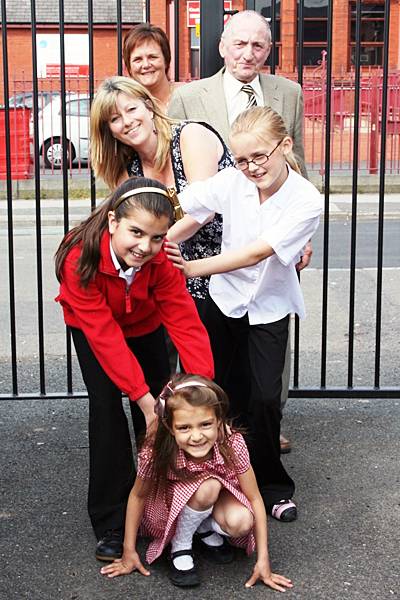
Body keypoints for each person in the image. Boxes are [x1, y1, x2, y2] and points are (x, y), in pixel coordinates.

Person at [166, 107, 323, 522]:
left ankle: (272, 485)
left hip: (269, 307)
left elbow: (259, 252)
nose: (251, 167)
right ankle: (220, 479)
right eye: (241, 159)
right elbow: (190, 209)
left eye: (259, 157)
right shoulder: (232, 180)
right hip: (224, 302)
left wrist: (190, 267)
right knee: (220, 393)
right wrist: (158, 240)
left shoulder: (306, 199)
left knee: (266, 399)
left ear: (285, 146)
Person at [168, 9, 312, 452]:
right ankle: (215, 433)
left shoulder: (288, 92)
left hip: (272, 231)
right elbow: (177, 176)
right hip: (209, 234)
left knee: (268, 336)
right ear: (221, 46)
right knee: (214, 351)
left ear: (268, 50)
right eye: (239, 43)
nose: (247, 53)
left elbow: (300, 161)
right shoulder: (190, 96)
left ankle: (265, 428)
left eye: (258, 45)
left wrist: (302, 235)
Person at [54, 177, 214, 562]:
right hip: (93, 327)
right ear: (113, 222)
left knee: (165, 409)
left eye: (157, 237)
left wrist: (203, 389)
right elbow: (105, 336)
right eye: (136, 233)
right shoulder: (79, 256)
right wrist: (141, 398)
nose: (145, 247)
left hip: (143, 324)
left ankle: (163, 510)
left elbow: (184, 320)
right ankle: (111, 521)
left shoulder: (159, 258)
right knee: (108, 408)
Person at [100, 374, 294, 591]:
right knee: (208, 486)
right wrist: (129, 551)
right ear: (170, 427)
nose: (196, 436)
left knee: (241, 521)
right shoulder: (155, 450)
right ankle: (180, 545)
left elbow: (254, 497)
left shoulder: (232, 442)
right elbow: (138, 495)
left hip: (213, 497)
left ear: (219, 421)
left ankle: (201, 525)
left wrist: (263, 560)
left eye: (205, 424)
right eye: (184, 428)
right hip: (168, 507)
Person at [90, 75, 234, 313]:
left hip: (229, 268)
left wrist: (154, 244)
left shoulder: (190, 135)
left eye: (131, 109)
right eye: (115, 119)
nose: (127, 121)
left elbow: (204, 210)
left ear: (148, 106)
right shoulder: (127, 171)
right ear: (110, 132)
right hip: (178, 277)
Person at [123, 23, 173, 112]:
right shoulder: (125, 108)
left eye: (152, 57)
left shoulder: (186, 96)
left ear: (166, 60)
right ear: (129, 67)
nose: (146, 65)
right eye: (138, 59)